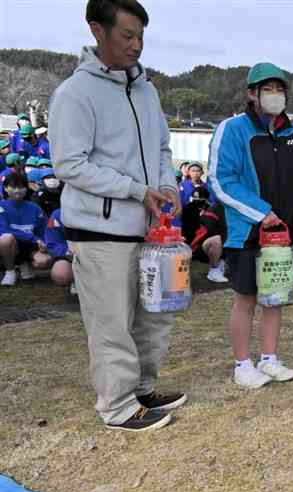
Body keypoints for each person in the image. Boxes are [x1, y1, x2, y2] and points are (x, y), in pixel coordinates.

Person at [49, 0, 184, 432]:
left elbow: (162, 148)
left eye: (141, 36)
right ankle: (118, 406)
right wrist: (134, 190)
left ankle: (142, 388)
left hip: (150, 229)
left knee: (153, 315)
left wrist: (166, 185)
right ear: (97, 31)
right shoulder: (75, 94)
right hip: (98, 230)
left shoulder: (147, 90)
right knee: (111, 321)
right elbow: (69, 164)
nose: (137, 45)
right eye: (127, 35)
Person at [207, 61, 293, 389]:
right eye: (268, 89)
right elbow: (221, 180)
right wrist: (261, 212)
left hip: (282, 236)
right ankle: (242, 364)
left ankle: (269, 359)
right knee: (246, 298)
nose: (275, 95)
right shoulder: (233, 129)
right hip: (247, 231)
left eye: (280, 89)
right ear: (252, 94)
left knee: (275, 297)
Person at [0, 173, 48, 286]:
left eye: (21, 187)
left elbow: (43, 229)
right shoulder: (1, 206)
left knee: (44, 261)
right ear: (6, 188)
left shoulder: (35, 208)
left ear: (26, 189)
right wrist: (33, 238)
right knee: (6, 238)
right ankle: (10, 271)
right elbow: (3, 230)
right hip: (9, 245)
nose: (17, 190)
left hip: (29, 247)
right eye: (13, 187)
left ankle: (25, 264)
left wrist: (42, 243)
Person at [186, 201, 227, 283]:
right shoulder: (214, 210)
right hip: (205, 247)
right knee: (216, 240)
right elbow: (206, 232)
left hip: (230, 246)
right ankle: (214, 270)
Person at [45, 207, 75, 290]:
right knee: (60, 274)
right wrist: (66, 251)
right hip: (71, 254)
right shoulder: (57, 214)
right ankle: (76, 281)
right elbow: (53, 242)